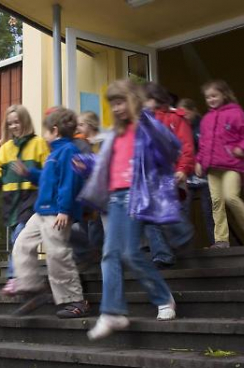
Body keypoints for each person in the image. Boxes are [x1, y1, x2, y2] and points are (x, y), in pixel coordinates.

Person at [77, 80, 180, 341]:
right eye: (113, 104)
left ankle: (163, 298)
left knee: (131, 253)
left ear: (133, 101)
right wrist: (87, 162)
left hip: (138, 195)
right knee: (110, 253)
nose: (117, 108)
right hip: (115, 197)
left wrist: (145, 117)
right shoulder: (116, 134)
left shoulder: (145, 127)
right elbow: (105, 163)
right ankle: (112, 312)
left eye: (121, 101)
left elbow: (171, 146)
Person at [9, 106, 90, 319]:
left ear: (54, 131)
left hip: (56, 213)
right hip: (41, 211)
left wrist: (65, 210)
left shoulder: (69, 151)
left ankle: (75, 301)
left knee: (57, 255)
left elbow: (69, 183)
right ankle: (32, 286)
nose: (43, 135)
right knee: (22, 244)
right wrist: (29, 173)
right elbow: (47, 180)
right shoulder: (54, 154)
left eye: (46, 131)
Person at [0, 105, 49, 295]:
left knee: (20, 237)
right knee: (17, 239)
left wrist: (29, 173)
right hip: (12, 203)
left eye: (17, 122)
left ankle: (14, 277)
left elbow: (49, 173)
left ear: (25, 122)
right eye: (10, 124)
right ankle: (31, 282)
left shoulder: (39, 144)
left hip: (31, 199)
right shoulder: (5, 150)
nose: (14, 127)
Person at [195, 80, 244, 248]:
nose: (211, 99)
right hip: (212, 167)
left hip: (232, 165)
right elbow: (203, 144)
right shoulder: (206, 120)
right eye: (207, 97)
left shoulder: (236, 113)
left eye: (214, 95)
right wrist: (198, 162)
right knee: (216, 202)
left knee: (230, 197)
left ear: (224, 95)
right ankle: (221, 240)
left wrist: (241, 148)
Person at [142, 82, 195, 269]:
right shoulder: (142, 121)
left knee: (167, 208)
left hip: (169, 172)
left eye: (145, 99)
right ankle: (162, 253)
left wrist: (183, 168)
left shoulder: (175, 118)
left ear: (155, 99)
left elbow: (186, 146)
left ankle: (182, 234)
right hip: (149, 175)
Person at [69, 111, 106, 269]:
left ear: (90, 126)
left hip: (99, 189)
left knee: (95, 223)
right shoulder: (81, 142)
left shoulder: (101, 141)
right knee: (85, 222)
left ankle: (97, 250)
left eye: (81, 125)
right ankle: (90, 252)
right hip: (86, 190)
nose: (78, 128)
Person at [178, 98, 215, 246]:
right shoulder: (180, 127)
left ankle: (215, 243)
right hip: (187, 176)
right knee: (184, 210)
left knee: (208, 211)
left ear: (193, 110)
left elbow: (208, 147)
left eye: (186, 114)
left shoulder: (204, 124)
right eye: (181, 115)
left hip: (205, 174)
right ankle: (186, 246)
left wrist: (200, 162)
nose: (184, 117)